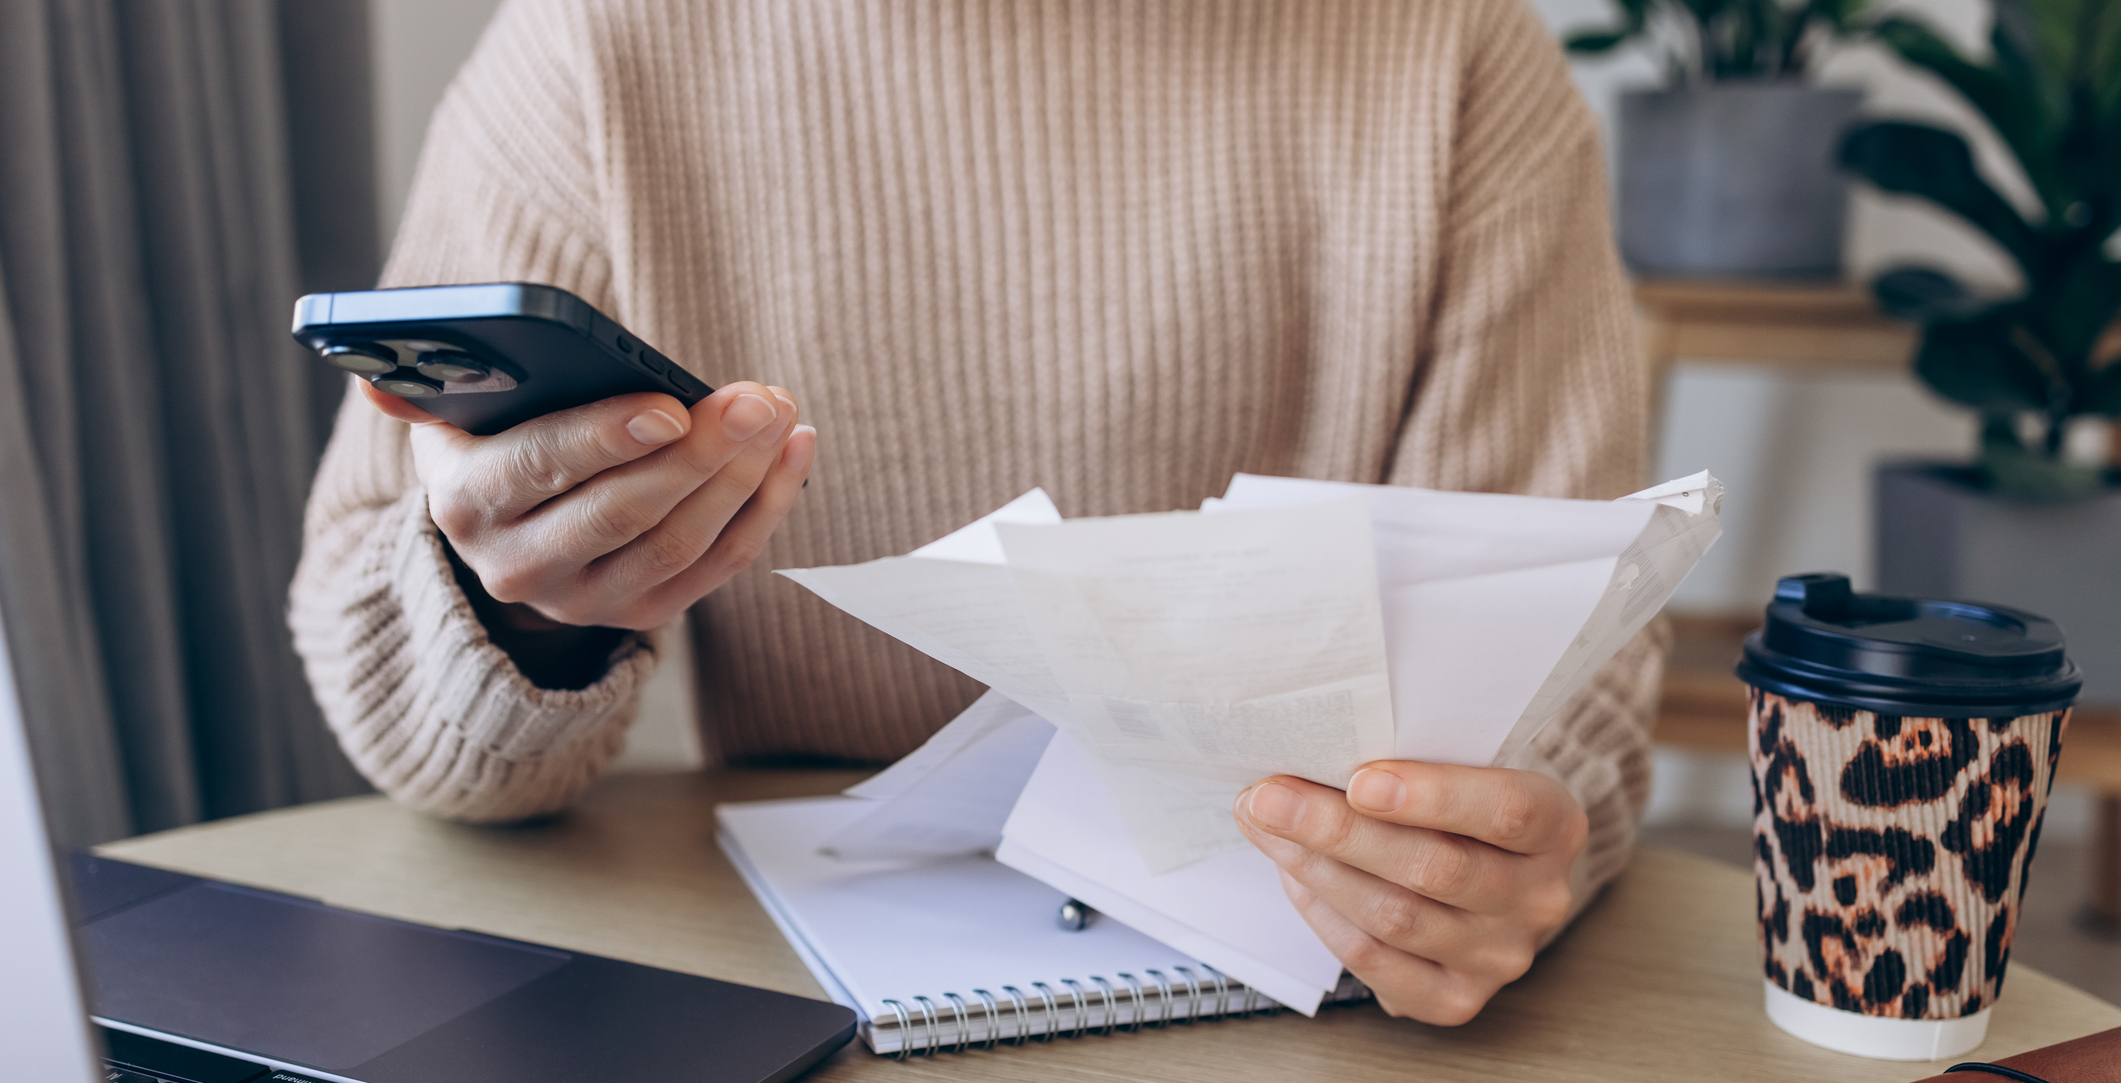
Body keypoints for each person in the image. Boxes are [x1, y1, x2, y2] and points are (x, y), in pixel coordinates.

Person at [291, 0, 1664, 1028]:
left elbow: (1573, 671)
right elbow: (409, 714)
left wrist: (1494, 845)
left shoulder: (1449, 53)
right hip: (783, 989)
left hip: (1305, 987)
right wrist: (521, 603)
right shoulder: (598, 48)